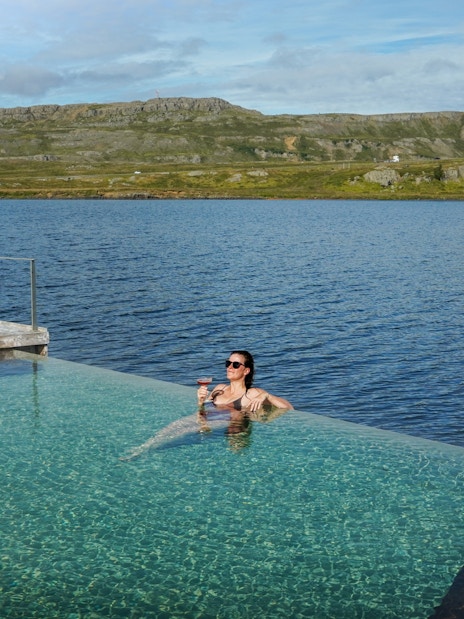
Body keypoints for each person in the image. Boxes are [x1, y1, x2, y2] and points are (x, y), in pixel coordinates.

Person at [198, 350, 293, 413]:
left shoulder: (251, 393)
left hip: (229, 428)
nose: (229, 367)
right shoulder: (220, 388)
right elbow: (203, 411)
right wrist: (201, 401)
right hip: (204, 424)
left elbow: (288, 407)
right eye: (228, 363)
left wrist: (267, 395)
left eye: (235, 365)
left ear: (246, 371)